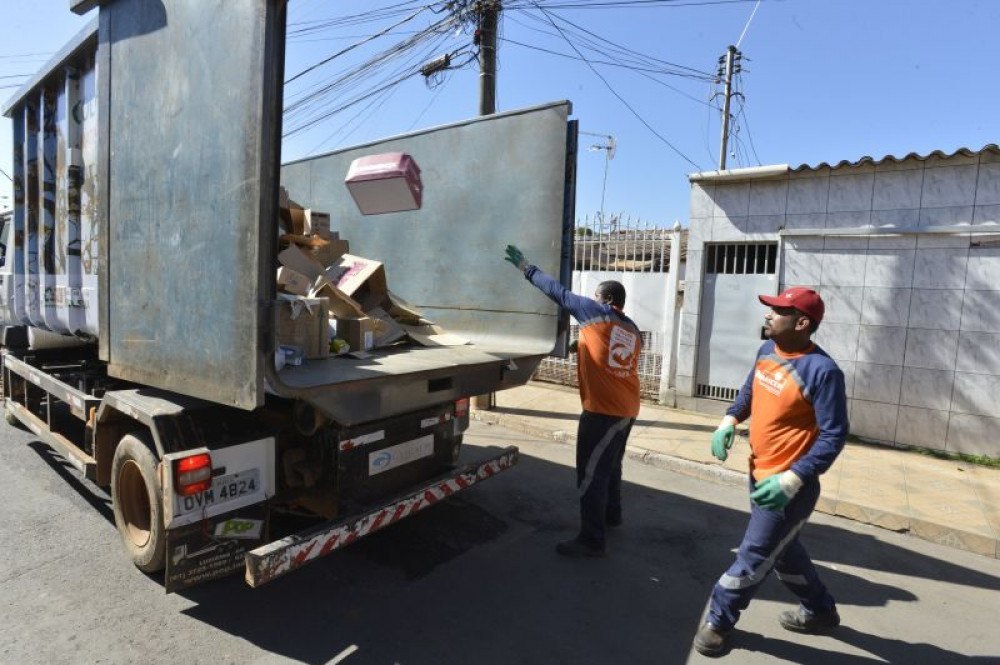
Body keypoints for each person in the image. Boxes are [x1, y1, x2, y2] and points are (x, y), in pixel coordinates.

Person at [693, 286, 849, 657]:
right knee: (784, 550)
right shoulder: (767, 351)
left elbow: (834, 434)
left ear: (802, 322)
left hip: (788, 487)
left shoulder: (823, 371)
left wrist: (794, 478)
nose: (768, 315)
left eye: (778, 311)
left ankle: (719, 621)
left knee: (754, 554)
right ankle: (821, 610)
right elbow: (750, 391)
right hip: (759, 474)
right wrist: (729, 419)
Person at [504, 244, 641, 558]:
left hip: (603, 411)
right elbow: (611, 355)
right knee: (611, 466)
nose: (591, 300)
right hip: (628, 407)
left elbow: (558, 292)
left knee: (591, 473)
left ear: (606, 300)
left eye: (596, 295)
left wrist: (526, 267)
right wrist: (580, 346)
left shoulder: (596, 312)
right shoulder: (631, 328)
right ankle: (612, 515)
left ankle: (592, 540)